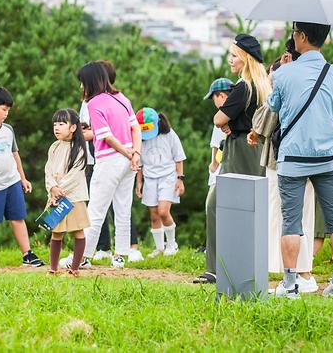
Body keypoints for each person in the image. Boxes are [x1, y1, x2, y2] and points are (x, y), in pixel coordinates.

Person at [267, 21, 333, 299]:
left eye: (294, 33)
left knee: (291, 222)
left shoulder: (285, 74)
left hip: (292, 159)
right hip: (327, 159)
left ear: (302, 36)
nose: (293, 37)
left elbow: (274, 106)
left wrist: (276, 78)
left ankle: (290, 284)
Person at [195, 34, 270, 284]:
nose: (230, 60)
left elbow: (218, 119)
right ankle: (248, 264)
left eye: (234, 55)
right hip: (258, 150)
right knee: (252, 208)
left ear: (245, 59)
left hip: (238, 149)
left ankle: (215, 267)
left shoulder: (243, 87)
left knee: (215, 204)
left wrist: (228, 123)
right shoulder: (264, 86)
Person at [248, 39, 318, 293]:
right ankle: (303, 274)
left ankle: (297, 275)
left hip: (282, 162)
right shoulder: (312, 82)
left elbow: (262, 122)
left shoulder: (285, 84)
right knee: (304, 216)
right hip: (312, 159)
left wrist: (277, 80)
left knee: (281, 217)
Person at [75, 62, 141, 269]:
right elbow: (135, 128)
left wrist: (126, 152)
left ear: (90, 82)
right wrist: (134, 154)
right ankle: (120, 256)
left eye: (82, 83)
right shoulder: (122, 98)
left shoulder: (94, 103)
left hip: (110, 160)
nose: (80, 87)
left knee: (95, 209)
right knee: (123, 208)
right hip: (128, 161)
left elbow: (107, 137)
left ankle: (83, 256)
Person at [0, 87, 44, 269]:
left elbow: (15, 154)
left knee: (18, 218)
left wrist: (23, 178)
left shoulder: (8, 130)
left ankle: (27, 254)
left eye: (8, 110)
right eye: (4, 110)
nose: (6, 114)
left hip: (12, 182)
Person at [135, 108, 186, 257]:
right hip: (150, 178)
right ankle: (159, 248)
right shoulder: (140, 139)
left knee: (163, 211)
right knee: (154, 215)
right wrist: (139, 183)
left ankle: (171, 244)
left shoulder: (169, 134)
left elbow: (179, 157)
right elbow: (140, 163)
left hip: (168, 177)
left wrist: (180, 179)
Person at [45, 109, 90, 275]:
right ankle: (53, 268)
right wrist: (52, 188)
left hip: (74, 197)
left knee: (78, 231)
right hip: (56, 196)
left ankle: (75, 268)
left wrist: (59, 189)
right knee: (56, 232)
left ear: (72, 128)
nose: (57, 127)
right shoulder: (54, 147)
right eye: (55, 124)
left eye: (62, 124)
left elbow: (75, 175)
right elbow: (48, 170)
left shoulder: (78, 149)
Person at [202, 77, 232, 257]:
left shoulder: (222, 115)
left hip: (221, 167)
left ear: (220, 95)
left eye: (213, 97)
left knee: (212, 206)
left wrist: (213, 164)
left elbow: (216, 145)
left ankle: (214, 248)